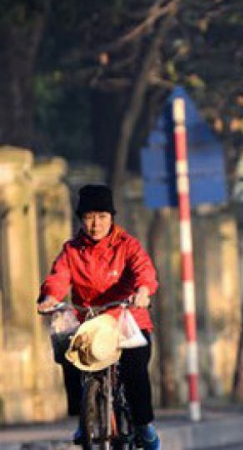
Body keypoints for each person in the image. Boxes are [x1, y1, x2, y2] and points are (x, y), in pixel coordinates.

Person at [36, 185, 161, 450]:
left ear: (111, 217)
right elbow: (59, 277)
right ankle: (85, 417)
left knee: (134, 369)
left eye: (102, 216)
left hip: (128, 322)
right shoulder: (71, 250)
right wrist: (50, 297)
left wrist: (143, 291)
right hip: (90, 325)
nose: (96, 224)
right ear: (81, 219)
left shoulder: (127, 246)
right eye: (89, 217)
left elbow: (144, 271)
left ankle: (144, 426)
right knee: (67, 353)